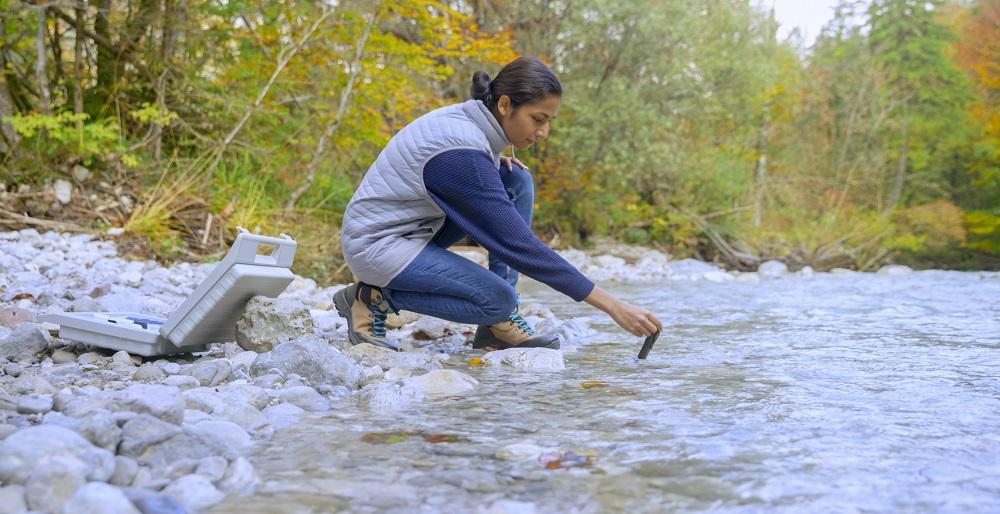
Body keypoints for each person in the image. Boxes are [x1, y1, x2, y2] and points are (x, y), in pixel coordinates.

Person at [335, 56, 662, 351]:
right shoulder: (461, 151)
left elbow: (467, 176)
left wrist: (492, 167)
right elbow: (518, 245)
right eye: (538, 119)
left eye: (548, 121)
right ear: (505, 104)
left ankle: (498, 326)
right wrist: (614, 306)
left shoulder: (474, 126)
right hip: (378, 246)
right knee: (497, 299)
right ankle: (371, 298)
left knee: (516, 180)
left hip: (413, 229)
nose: (544, 132)